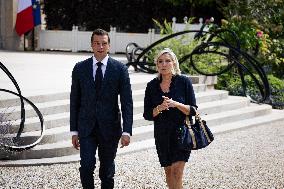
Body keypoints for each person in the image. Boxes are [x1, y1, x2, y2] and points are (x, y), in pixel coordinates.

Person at [70, 28, 133, 189]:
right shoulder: (79, 68)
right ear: (91, 45)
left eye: (104, 43)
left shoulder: (120, 69)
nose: (100, 47)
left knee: (106, 170)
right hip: (86, 128)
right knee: (86, 166)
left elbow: (127, 102)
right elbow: (74, 101)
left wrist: (127, 131)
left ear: (109, 46)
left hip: (110, 129)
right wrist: (74, 131)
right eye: (97, 43)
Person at [143, 48, 197, 189]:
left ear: (174, 63)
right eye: (160, 61)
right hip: (162, 135)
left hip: (182, 133)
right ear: (157, 65)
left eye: (168, 61)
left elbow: (193, 110)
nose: (164, 64)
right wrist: (159, 108)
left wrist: (176, 104)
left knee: (177, 172)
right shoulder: (151, 86)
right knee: (168, 173)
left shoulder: (184, 82)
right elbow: (147, 114)